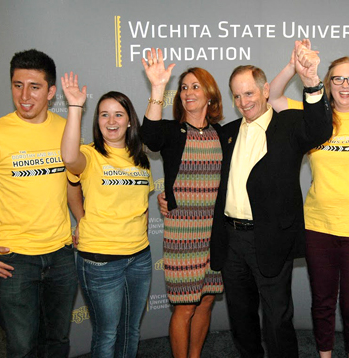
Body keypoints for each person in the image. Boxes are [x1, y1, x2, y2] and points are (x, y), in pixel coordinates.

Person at [209, 41, 333, 358]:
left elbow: (320, 128)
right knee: (241, 318)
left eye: (249, 93)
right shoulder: (228, 132)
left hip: (270, 238)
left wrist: (310, 81)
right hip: (231, 239)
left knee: (277, 320)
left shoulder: (288, 123)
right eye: (237, 95)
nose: (243, 102)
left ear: (265, 91)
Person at [0, 49, 80, 357]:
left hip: (61, 255)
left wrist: (83, 221)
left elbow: (71, 184)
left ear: (51, 92)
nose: (24, 96)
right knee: (22, 347)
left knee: (57, 342)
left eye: (34, 87)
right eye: (17, 85)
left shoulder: (66, 129)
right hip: (13, 259)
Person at [269, 43, 349, 358]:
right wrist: (294, 66)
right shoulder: (314, 117)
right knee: (322, 300)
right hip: (319, 227)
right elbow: (274, 97)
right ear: (327, 84)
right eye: (337, 79)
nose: (345, 85)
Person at [60, 73, 154, 358]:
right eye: (104, 115)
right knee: (107, 333)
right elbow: (68, 159)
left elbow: (142, 206)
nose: (111, 121)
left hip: (140, 257)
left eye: (118, 115)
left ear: (129, 121)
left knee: (131, 329)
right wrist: (76, 107)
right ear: (97, 120)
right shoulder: (89, 155)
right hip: (100, 261)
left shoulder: (140, 158)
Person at [140, 49, 225, 358]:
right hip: (182, 236)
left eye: (195, 86)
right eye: (185, 87)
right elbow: (148, 136)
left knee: (206, 301)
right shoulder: (172, 131)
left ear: (210, 96)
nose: (189, 92)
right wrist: (158, 87)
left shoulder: (223, 134)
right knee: (185, 307)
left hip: (215, 235)